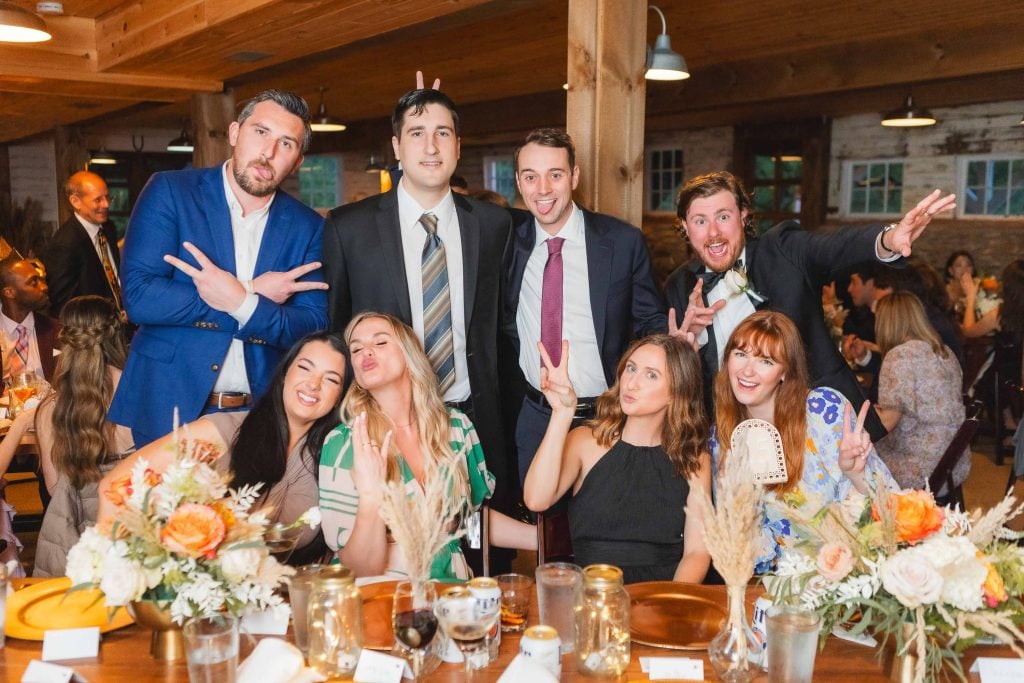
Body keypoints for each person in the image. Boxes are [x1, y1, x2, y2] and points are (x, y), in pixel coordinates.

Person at [321, 88, 514, 523]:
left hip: (474, 417)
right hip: (387, 427)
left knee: (483, 554)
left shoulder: (494, 224)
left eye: (443, 133)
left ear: (458, 146)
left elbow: (504, 326)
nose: (431, 147)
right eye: (417, 133)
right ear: (396, 146)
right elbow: (337, 331)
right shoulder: (349, 228)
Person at [108, 90, 329, 447]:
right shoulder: (170, 192)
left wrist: (242, 302)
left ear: (298, 160)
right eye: (260, 132)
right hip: (169, 408)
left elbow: (312, 325)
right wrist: (249, 293)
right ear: (234, 133)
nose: (268, 152)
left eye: (286, 143)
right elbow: (140, 296)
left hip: (261, 415)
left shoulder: (309, 226)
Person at [665, 171, 956, 441]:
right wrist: (686, 347)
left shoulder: (783, 249)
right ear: (685, 227)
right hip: (733, 436)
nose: (713, 233)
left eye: (723, 216)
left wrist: (888, 240)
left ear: (743, 216)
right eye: (700, 221)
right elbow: (681, 385)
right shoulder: (679, 286)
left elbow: (835, 247)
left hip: (816, 424)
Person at [504, 128, 667, 483]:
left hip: (606, 414)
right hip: (537, 414)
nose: (542, 189)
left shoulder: (622, 242)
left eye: (555, 175)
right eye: (531, 177)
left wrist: (677, 342)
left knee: (603, 526)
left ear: (574, 177)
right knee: (540, 525)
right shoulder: (507, 244)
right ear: (518, 181)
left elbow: (649, 321)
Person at [319, 312, 534, 580]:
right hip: (383, 596)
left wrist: (539, 540)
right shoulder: (345, 443)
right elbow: (360, 569)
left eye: (381, 343)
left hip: (452, 596)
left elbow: (468, 524)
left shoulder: (456, 427)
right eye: (357, 348)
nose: (366, 353)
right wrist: (370, 496)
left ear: (410, 355)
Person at [98, 331, 346, 561]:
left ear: (339, 397)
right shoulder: (225, 431)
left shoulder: (333, 456)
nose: (314, 384)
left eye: (331, 379)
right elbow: (114, 486)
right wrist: (123, 579)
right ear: (284, 373)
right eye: (305, 368)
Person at [710, 311, 895, 574]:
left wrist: (856, 474)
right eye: (740, 354)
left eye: (765, 360)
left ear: (785, 371)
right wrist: (734, 505)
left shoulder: (822, 411)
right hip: (777, 587)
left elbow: (890, 509)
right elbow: (750, 558)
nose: (747, 370)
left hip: (849, 574)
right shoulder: (722, 438)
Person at [523, 335, 711, 584]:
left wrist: (670, 607)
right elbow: (536, 500)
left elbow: (697, 553)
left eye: (651, 375)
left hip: (660, 597)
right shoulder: (585, 441)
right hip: (590, 595)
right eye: (631, 368)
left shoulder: (694, 459)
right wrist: (562, 414)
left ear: (677, 393)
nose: (632, 383)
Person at [0, 297, 132, 576]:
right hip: (139, 526)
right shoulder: (144, 393)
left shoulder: (50, 410)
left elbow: (54, 488)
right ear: (117, 335)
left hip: (79, 542)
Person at [872, 292, 966, 492]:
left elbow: (887, 422)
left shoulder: (899, 356)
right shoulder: (945, 352)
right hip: (954, 462)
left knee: (857, 457)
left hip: (922, 468)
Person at [43, 171, 123, 316]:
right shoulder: (65, 243)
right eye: (98, 200)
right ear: (75, 201)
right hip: (93, 330)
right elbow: (63, 303)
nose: (106, 205)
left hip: (121, 324)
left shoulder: (108, 227)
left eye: (107, 198)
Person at [0, 256, 60, 383]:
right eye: (34, 282)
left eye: (42, 280)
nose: (44, 287)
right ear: (9, 293)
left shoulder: (57, 330)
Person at [944, 249, 975, 318]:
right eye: (958, 265)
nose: (964, 269)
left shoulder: (978, 290)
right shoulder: (944, 292)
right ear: (951, 271)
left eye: (968, 265)